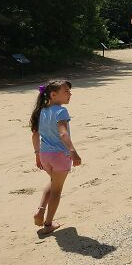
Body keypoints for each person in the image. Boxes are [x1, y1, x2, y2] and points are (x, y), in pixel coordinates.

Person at [29, 79, 82, 234]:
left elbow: (34, 135)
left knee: (53, 182)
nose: (70, 94)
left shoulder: (41, 111)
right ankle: (47, 225)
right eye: (66, 91)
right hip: (60, 155)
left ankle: (40, 210)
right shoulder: (60, 111)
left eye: (70, 91)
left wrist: (37, 155)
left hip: (45, 155)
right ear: (53, 94)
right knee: (57, 190)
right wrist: (73, 152)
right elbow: (63, 133)